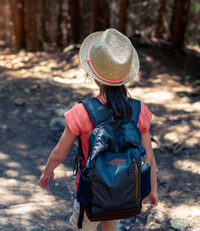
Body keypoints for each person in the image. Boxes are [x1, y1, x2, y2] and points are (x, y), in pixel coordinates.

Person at [39, 28, 158, 231]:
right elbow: (149, 158)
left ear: (94, 76)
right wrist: (152, 189)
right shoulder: (140, 111)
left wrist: (47, 172)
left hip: (90, 193)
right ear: (126, 75)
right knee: (109, 221)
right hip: (125, 191)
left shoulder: (81, 111)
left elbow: (60, 153)